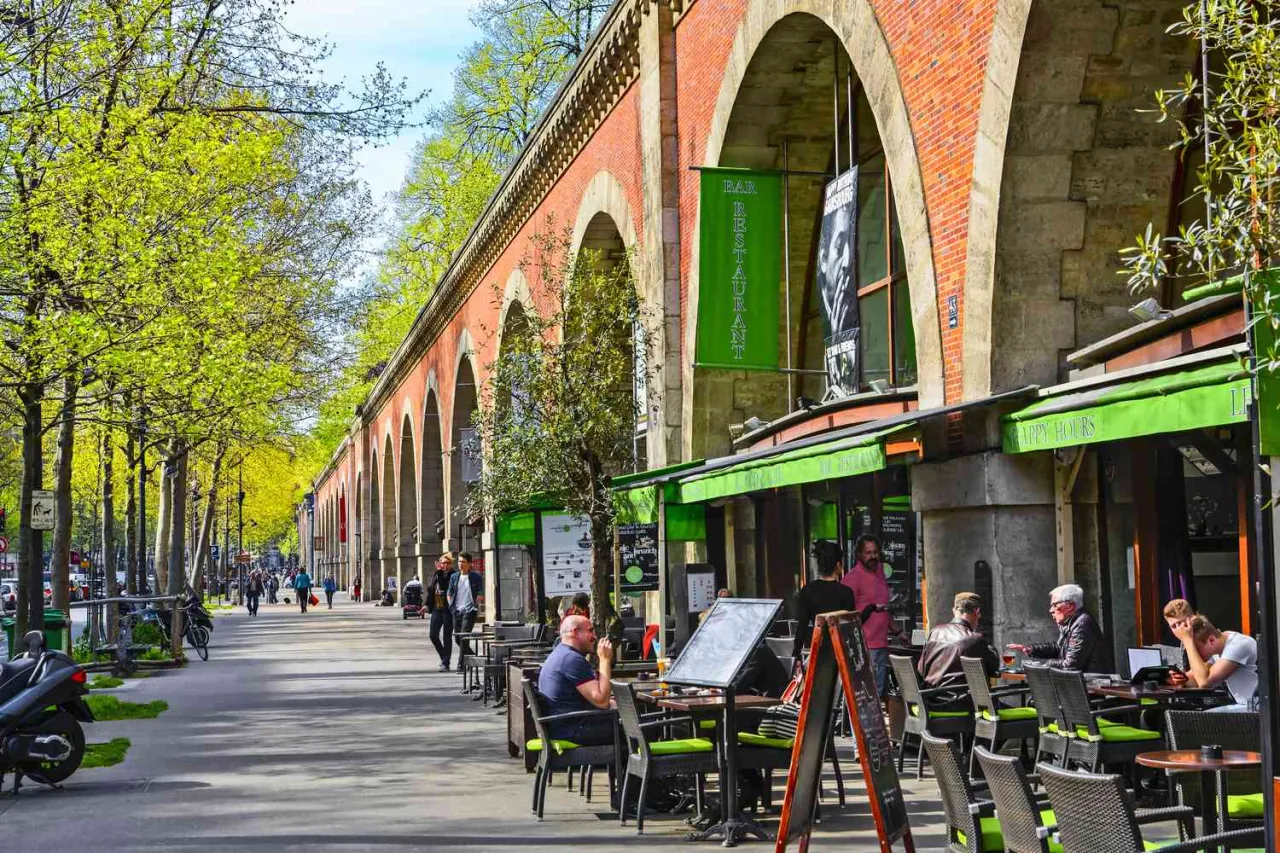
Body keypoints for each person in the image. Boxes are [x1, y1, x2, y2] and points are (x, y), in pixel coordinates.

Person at [840, 535, 909, 696]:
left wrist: (898, 632)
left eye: (875, 552)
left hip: (881, 644)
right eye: (868, 552)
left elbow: (883, 608)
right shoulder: (851, 579)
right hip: (864, 646)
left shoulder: (880, 573)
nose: (873, 556)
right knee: (869, 696)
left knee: (881, 694)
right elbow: (846, 617)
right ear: (859, 554)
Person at [536, 614, 615, 745]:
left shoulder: (561, 653)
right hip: (574, 730)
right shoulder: (571, 659)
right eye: (590, 631)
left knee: (630, 719)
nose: (595, 637)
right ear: (575, 632)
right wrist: (605, 660)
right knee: (638, 726)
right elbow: (602, 701)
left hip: (563, 726)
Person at [917, 592, 1000, 709]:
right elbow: (993, 668)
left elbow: (921, 670)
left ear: (954, 610)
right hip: (959, 703)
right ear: (976, 612)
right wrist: (988, 644)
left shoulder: (934, 632)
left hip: (929, 702)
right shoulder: (973, 639)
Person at [1006, 583, 1112, 673]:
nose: (1051, 610)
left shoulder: (1082, 624)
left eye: (1054, 605)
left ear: (1070, 606)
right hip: (1083, 684)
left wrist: (1045, 665)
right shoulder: (1072, 622)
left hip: (1094, 685)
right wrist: (1031, 649)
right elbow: (1059, 648)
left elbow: (1070, 665)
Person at [1171, 615, 1258, 711]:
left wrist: (1188, 641)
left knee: (1201, 718)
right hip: (1244, 704)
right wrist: (1181, 679)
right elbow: (1195, 680)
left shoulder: (1238, 645)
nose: (1195, 654)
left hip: (1258, 707)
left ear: (1211, 640)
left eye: (1196, 649)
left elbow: (1205, 682)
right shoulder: (1218, 646)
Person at [793, 540, 855, 659]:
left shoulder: (807, 591)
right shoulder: (846, 593)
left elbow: (802, 627)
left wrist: (796, 655)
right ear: (838, 565)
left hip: (817, 652)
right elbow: (851, 629)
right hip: (840, 654)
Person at [448, 552, 484, 656]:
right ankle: (473, 658)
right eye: (459, 561)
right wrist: (451, 604)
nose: (460, 564)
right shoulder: (454, 577)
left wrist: (478, 598)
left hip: (470, 611)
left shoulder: (476, 577)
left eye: (463, 562)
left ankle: (461, 664)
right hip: (457, 611)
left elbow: (480, 592)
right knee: (457, 639)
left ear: (469, 563)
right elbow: (449, 592)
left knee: (463, 637)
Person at [427, 555, 455, 671]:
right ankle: (444, 658)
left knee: (447, 636)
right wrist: (427, 605)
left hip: (448, 610)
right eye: (443, 563)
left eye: (447, 563)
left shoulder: (453, 575)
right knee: (433, 635)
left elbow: (444, 587)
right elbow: (431, 590)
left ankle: (445, 663)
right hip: (436, 609)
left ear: (451, 564)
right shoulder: (437, 574)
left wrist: (439, 573)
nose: (445, 565)